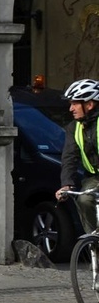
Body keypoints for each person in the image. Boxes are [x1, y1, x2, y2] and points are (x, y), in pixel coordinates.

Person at [55, 78, 99, 234]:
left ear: (89, 104)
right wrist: (66, 184)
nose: (70, 109)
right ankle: (94, 243)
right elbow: (69, 157)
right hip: (94, 177)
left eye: (74, 103)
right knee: (84, 200)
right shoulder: (74, 128)